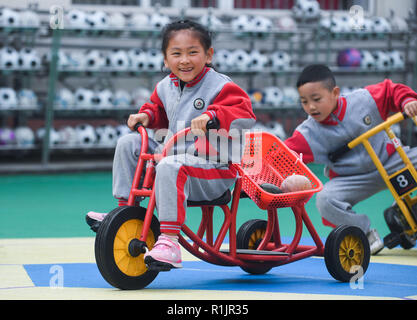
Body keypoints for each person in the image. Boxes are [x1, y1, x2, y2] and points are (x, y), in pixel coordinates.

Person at [86, 20, 256, 270]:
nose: (184, 60)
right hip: (173, 160)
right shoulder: (167, 86)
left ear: (208, 55)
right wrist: (147, 115)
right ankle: (125, 212)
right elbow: (157, 110)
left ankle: (169, 240)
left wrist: (213, 116)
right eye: (176, 53)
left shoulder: (221, 86)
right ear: (166, 59)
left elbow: (244, 113)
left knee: (170, 164)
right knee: (129, 143)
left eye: (193, 52)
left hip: (212, 171)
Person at [284, 64, 417, 255]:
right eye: (304, 101)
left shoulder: (363, 100)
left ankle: (407, 210)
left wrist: (407, 101)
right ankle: (362, 233)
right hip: (352, 179)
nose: (311, 107)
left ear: (335, 93)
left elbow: (391, 90)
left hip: (391, 161)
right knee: (325, 199)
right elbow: (283, 152)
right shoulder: (308, 133)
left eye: (316, 99)